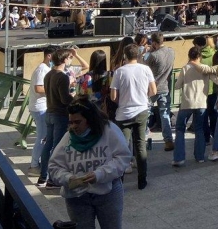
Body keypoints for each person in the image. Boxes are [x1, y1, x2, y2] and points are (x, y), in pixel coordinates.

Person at [48, 97, 131, 229]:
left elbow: (123, 157)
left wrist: (100, 174)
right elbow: (53, 167)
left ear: (89, 119)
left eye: (78, 122)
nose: (73, 127)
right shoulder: (68, 138)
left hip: (108, 193)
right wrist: (68, 178)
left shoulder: (109, 130)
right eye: (71, 122)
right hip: (77, 197)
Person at [173, 47, 218, 166]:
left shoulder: (185, 68)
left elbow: (177, 86)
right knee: (199, 129)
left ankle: (179, 158)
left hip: (187, 103)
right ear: (200, 57)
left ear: (189, 56)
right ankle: (199, 157)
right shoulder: (205, 70)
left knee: (180, 129)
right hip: (201, 103)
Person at [110, 44, 157, 190]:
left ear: (125, 55)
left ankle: (120, 180)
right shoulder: (146, 69)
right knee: (140, 145)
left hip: (124, 113)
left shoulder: (119, 72)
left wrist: (123, 101)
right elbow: (153, 90)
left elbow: (113, 96)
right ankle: (142, 180)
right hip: (142, 110)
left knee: (123, 147)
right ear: (138, 55)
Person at [37, 49, 76, 189]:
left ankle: (43, 177)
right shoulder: (62, 77)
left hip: (49, 112)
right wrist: (73, 95)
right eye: (70, 57)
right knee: (58, 148)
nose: (71, 60)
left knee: (48, 145)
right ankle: (53, 179)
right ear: (64, 60)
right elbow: (65, 99)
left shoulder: (48, 74)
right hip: (60, 114)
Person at [27, 46, 56, 178]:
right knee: (42, 137)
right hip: (39, 108)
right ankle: (34, 165)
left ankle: (36, 163)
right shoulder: (42, 70)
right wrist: (52, 89)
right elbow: (38, 88)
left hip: (42, 107)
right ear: (49, 56)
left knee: (43, 137)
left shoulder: (46, 69)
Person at [145, 32, 176, 152]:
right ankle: (168, 140)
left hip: (152, 88)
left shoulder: (154, 56)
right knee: (165, 114)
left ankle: (142, 138)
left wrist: (150, 51)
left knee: (146, 114)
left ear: (153, 43)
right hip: (165, 87)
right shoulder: (171, 51)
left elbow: (145, 67)